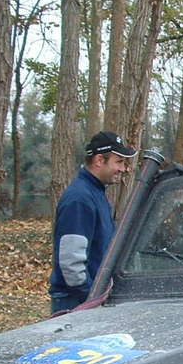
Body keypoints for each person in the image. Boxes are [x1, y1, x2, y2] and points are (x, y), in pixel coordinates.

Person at [49, 131, 137, 314]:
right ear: (99, 160)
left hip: (87, 299)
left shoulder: (95, 193)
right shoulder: (79, 198)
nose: (123, 168)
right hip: (76, 303)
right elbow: (71, 263)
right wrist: (92, 296)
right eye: (119, 161)